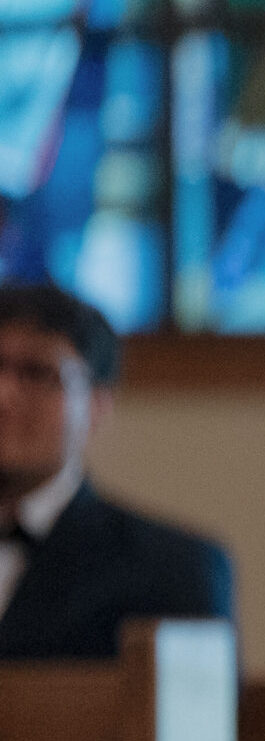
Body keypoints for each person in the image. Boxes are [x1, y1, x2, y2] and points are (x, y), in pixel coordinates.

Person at [0, 282, 233, 660]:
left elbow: (197, 716)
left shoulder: (170, 568)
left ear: (96, 405)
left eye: (35, 373)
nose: (4, 396)